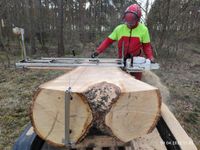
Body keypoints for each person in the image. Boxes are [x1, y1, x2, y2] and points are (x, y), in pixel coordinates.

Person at [91, 4, 155, 80]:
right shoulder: (119, 29)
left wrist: (150, 57)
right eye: (127, 22)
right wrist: (98, 51)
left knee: (137, 82)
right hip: (121, 60)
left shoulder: (143, 30)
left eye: (131, 22)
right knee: (121, 81)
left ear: (137, 19)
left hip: (136, 61)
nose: (129, 25)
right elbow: (108, 41)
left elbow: (146, 46)